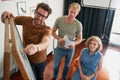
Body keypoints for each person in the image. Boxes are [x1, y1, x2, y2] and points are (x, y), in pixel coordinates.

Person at [1, 3, 52, 80]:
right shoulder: (26, 20)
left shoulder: (47, 29)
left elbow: (46, 42)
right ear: (35, 12)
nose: (39, 18)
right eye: (38, 14)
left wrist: (36, 47)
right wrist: (5, 14)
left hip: (40, 61)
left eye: (43, 16)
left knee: (40, 77)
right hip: (26, 59)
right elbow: (6, 20)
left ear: (46, 18)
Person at [52, 2, 83, 80]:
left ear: (78, 13)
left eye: (74, 13)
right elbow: (52, 32)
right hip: (59, 47)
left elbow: (80, 39)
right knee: (56, 65)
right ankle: (55, 77)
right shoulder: (59, 20)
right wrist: (59, 38)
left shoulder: (78, 24)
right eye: (71, 11)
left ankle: (63, 77)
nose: (72, 14)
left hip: (70, 49)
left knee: (67, 65)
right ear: (68, 10)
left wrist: (74, 44)